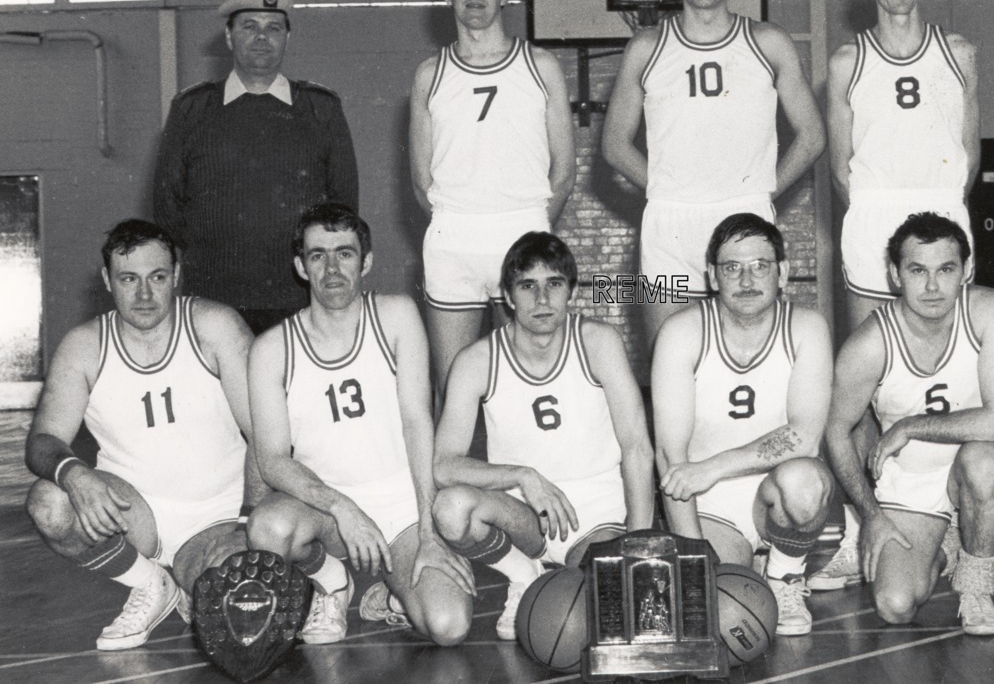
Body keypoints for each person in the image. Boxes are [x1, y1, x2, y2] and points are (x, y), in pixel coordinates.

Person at [24, 219, 263, 651]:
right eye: (129, 279)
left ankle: (196, 582)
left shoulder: (214, 327)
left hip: (218, 516)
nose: (145, 294)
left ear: (177, 274)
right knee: (50, 501)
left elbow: (265, 436)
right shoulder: (85, 346)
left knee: (233, 620)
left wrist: (246, 524)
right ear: (107, 280)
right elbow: (43, 441)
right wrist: (75, 474)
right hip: (133, 515)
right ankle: (149, 583)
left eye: (157, 277)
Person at [247, 203, 472, 646]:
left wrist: (430, 533)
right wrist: (342, 508)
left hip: (401, 511)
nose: (332, 268)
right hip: (327, 512)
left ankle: (391, 594)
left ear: (366, 262)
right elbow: (272, 460)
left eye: (344, 253)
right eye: (317, 255)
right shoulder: (272, 348)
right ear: (300, 266)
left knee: (449, 626)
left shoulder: (396, 317)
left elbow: (416, 422)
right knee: (267, 529)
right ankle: (332, 581)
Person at [603, 0, 825, 349]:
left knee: (753, 355)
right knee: (670, 357)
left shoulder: (767, 42)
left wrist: (761, 192)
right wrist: (666, 189)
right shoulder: (646, 47)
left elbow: (813, 135)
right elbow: (613, 144)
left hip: (745, 220)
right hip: (668, 229)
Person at [432, 232, 654, 640]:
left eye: (554, 284)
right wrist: (523, 476)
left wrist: (637, 544)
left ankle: (580, 572)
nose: (542, 298)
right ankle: (523, 576)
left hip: (595, 516)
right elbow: (444, 466)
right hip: (524, 515)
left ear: (571, 290)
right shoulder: (477, 360)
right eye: (527, 286)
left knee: (605, 613)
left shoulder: (598, 342)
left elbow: (637, 448)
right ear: (507, 295)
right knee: (451, 508)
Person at [824, 213, 994, 636]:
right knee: (895, 605)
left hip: (981, 455)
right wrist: (870, 513)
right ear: (895, 275)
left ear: (966, 271)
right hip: (910, 478)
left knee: (981, 462)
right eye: (917, 271)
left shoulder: (990, 310)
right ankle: (946, 545)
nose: (932, 287)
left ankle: (976, 587)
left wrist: (910, 426)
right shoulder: (868, 344)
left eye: (946, 270)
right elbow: (837, 432)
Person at [652, 213, 834, 636]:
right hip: (709, 505)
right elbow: (670, 459)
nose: (747, 279)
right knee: (713, 611)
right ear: (712, 276)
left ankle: (785, 575)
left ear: (783, 272)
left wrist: (712, 466)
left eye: (760, 266)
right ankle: (742, 560)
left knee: (805, 482)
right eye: (732, 267)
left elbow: (804, 437)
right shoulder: (682, 332)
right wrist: (694, 558)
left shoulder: (806, 327)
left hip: (774, 494)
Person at [410, 0, 575, 405]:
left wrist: (532, 237)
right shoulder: (430, 74)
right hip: (453, 244)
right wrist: (457, 222)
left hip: (521, 235)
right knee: (454, 390)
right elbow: (420, 180)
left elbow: (563, 172)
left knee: (526, 385)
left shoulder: (540, 66)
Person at [154, 0, 359, 335]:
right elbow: (167, 204)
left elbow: (343, 205)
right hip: (214, 297)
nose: (262, 37)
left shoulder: (320, 107)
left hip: (301, 296)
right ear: (229, 37)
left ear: (288, 37)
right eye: (249, 26)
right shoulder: (192, 109)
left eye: (274, 27)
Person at [827, 0, 979, 333]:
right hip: (873, 211)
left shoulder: (958, 52)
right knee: (870, 347)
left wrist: (942, 203)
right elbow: (840, 168)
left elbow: (970, 152)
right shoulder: (847, 60)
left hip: (942, 205)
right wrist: (868, 205)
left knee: (948, 343)